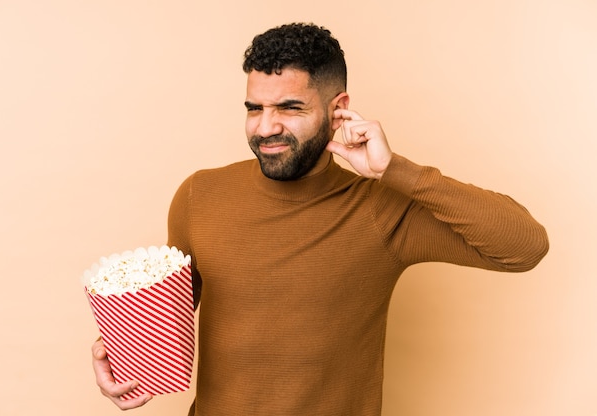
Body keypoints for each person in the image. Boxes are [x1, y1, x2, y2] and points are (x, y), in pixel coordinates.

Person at [91, 22, 549, 415]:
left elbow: (525, 247)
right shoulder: (199, 195)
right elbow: (164, 317)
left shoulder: (381, 208)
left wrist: (396, 171)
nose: (266, 127)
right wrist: (117, 355)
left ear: (337, 108)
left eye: (289, 108)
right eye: (255, 108)